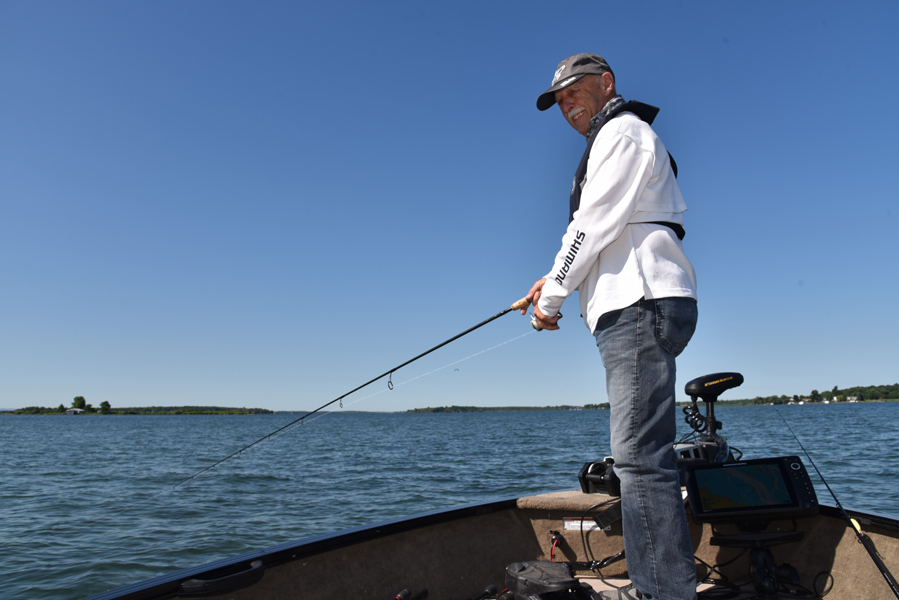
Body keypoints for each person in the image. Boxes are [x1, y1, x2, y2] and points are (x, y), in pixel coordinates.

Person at [523, 53, 699, 600]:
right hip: (640, 301)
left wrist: (553, 298)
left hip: (638, 302)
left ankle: (664, 593)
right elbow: (603, 230)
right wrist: (552, 279)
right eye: (560, 101)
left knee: (640, 462)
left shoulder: (621, 131)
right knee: (641, 458)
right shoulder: (622, 135)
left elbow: (591, 223)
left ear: (607, 83)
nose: (568, 106)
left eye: (575, 92)